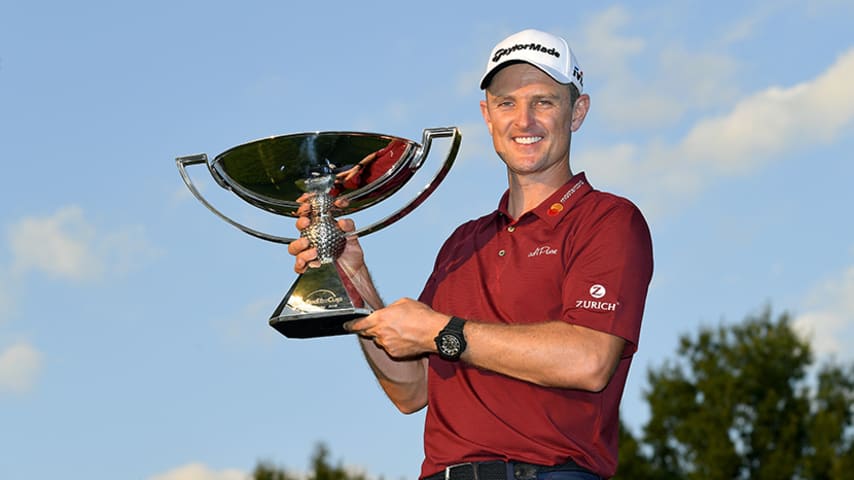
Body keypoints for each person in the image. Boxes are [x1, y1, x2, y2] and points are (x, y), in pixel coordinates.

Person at [289, 29, 654, 480]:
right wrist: (352, 278)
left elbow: (588, 360)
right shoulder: (463, 242)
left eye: (544, 101)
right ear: (487, 115)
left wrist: (443, 331)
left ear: (577, 112)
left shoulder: (607, 219)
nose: (524, 121)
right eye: (507, 103)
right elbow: (411, 390)